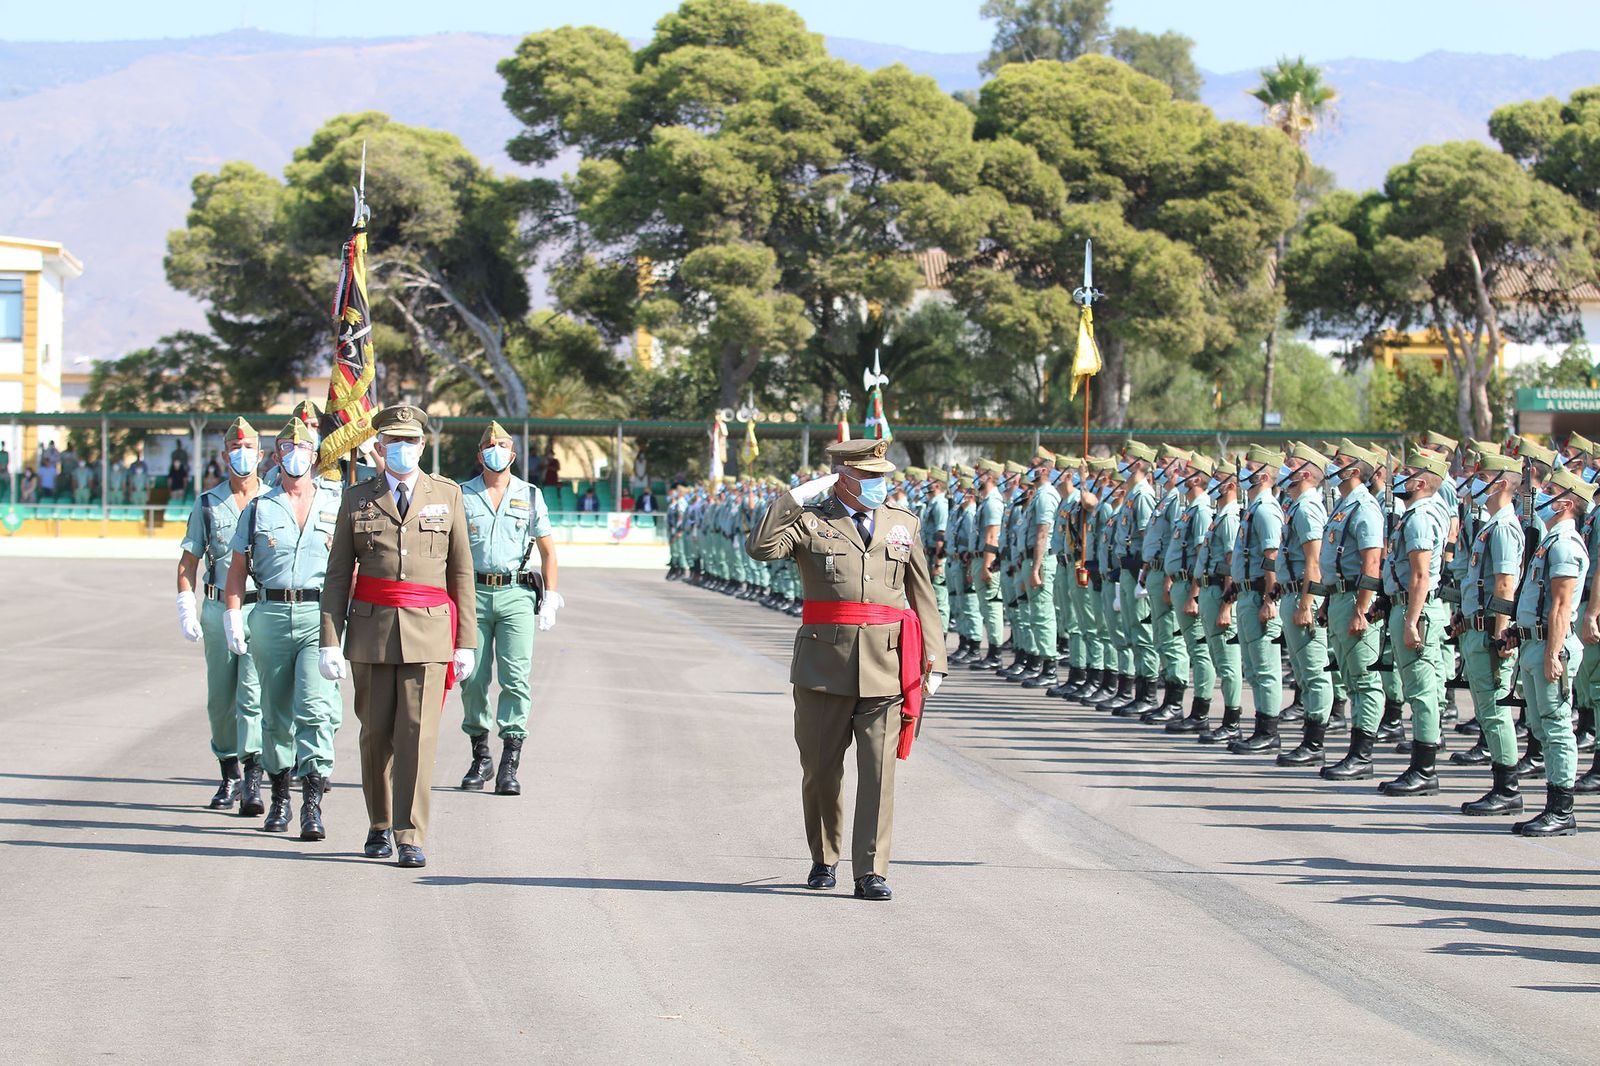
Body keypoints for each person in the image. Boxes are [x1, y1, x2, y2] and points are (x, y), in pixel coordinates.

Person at [747, 437, 948, 901]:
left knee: (878, 774)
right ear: (842, 478)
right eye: (869, 476)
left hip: (888, 666)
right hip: (823, 666)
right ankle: (824, 857)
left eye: (882, 476)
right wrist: (793, 498)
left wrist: (934, 659)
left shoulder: (903, 524)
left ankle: (871, 870)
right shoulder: (810, 522)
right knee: (821, 770)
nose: (879, 484)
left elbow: (922, 594)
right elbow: (761, 548)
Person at [319, 405, 477, 869]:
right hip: (371, 632)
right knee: (375, 736)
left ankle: (410, 834)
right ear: (380, 448)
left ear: (422, 446)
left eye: (410, 441)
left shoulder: (447, 494)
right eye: (393, 442)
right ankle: (379, 823)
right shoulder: (357, 498)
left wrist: (465, 641)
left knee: (418, 737)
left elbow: (461, 572)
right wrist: (330, 638)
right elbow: (337, 574)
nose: (402, 449)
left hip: (429, 632)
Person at [224, 419, 346, 839]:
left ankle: (312, 804)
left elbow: (354, 565)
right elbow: (237, 569)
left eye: (303, 448)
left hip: (319, 616)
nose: (296, 455)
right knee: (275, 715)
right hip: (271, 614)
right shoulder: (259, 507)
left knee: (314, 710)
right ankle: (280, 797)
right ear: (276, 456)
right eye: (287, 448)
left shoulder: (336, 505)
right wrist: (233, 615)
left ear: (315, 454)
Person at [457, 421, 563, 796]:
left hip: (516, 594)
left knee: (515, 678)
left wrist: (550, 597)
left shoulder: (530, 495)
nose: (496, 451)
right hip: (473, 594)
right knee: (472, 678)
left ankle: (509, 762)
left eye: (502, 445)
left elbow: (548, 551)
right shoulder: (462, 495)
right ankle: (480, 754)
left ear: (513, 455)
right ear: (479, 455)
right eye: (489, 446)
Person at [175, 418, 265, 813]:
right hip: (216, 608)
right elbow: (188, 561)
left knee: (253, 696)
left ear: (261, 455)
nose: (242, 455)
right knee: (220, 699)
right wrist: (186, 607)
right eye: (235, 449)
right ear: (225, 456)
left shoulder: (274, 499)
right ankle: (229, 771)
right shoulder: (208, 503)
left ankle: (254, 776)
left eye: (248, 448)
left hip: (260, 607)